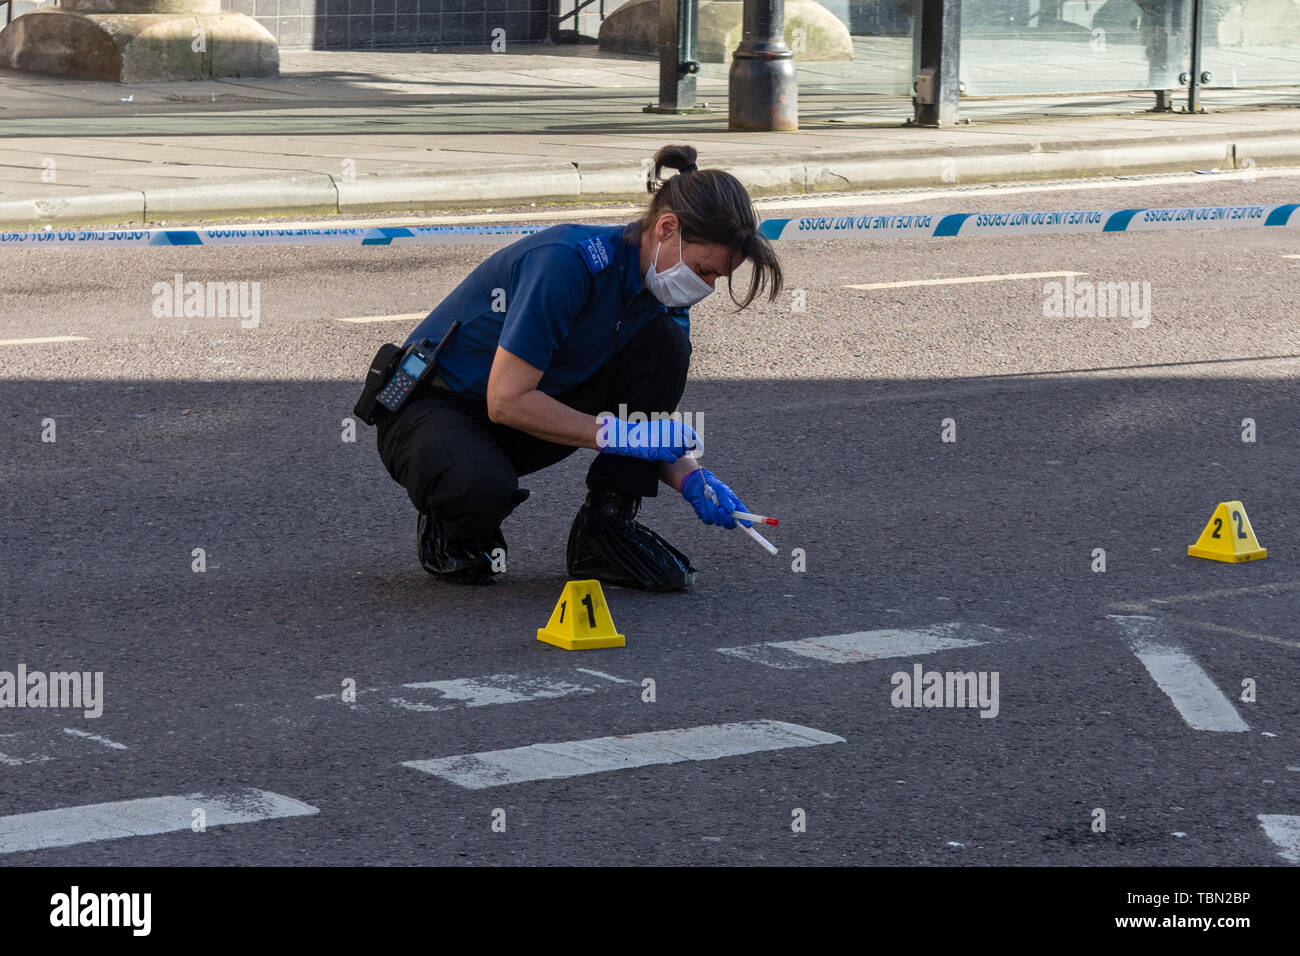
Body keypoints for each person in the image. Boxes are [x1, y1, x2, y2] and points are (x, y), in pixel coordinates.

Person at [372, 143, 783, 589]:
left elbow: (646, 426)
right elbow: (506, 401)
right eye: (705, 271)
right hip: (434, 407)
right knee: (478, 489)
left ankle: (606, 530)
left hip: (525, 409)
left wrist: (692, 478)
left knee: (666, 346)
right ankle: (454, 523)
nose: (706, 287)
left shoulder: (663, 297)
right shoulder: (566, 263)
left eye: (717, 278)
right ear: (667, 228)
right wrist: (620, 433)